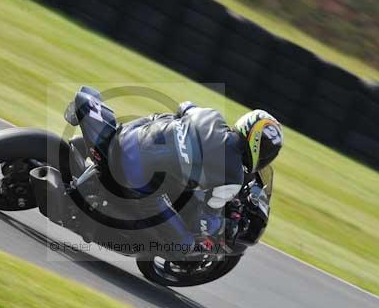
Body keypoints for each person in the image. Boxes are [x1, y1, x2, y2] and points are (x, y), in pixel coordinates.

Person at [107, 102, 284, 258]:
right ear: (258, 148)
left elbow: (184, 106)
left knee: (164, 120)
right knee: (183, 246)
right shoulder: (233, 176)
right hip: (137, 182)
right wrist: (226, 225)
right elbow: (205, 221)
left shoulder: (211, 116)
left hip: (128, 137)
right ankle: (124, 238)